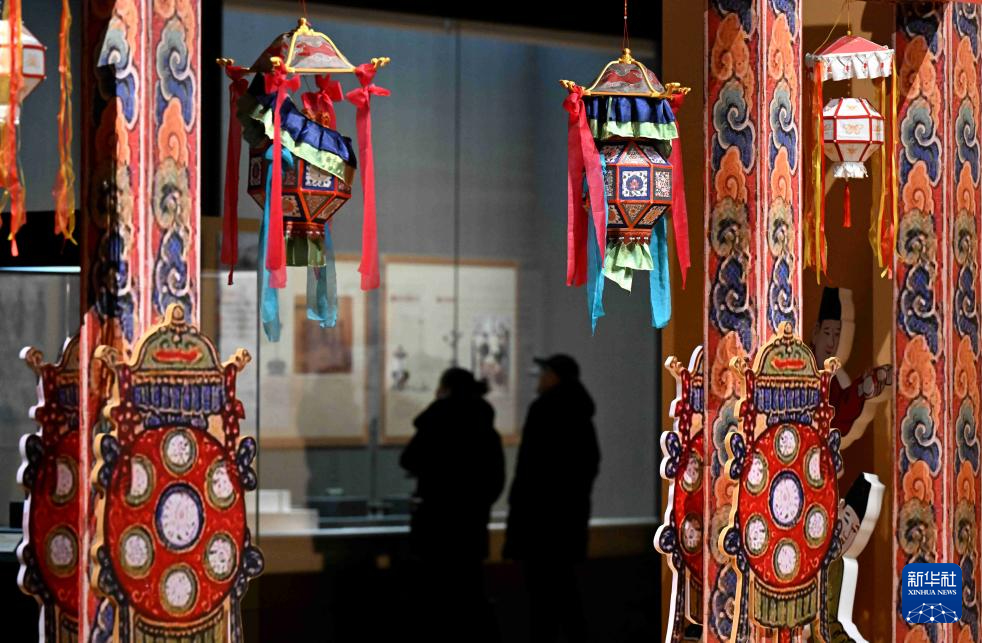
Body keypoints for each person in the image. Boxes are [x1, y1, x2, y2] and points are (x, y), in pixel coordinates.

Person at [400, 367, 505, 642]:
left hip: (435, 524)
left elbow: (408, 460)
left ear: (445, 389)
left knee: (435, 598)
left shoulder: (435, 423)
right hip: (472, 526)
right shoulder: (486, 429)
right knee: (470, 594)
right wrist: (475, 504)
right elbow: (495, 481)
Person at [504, 354, 600, 643]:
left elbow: (530, 470)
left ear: (555, 376)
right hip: (568, 520)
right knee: (565, 591)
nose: (540, 378)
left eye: (544, 372)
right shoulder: (581, 413)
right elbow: (589, 464)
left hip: (539, 522)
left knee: (542, 599)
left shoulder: (544, 410)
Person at [810, 287, 892, 439]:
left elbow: (840, 414)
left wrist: (861, 389)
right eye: (827, 332)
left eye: (837, 335)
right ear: (816, 333)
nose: (831, 342)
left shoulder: (835, 378)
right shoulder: (803, 367)